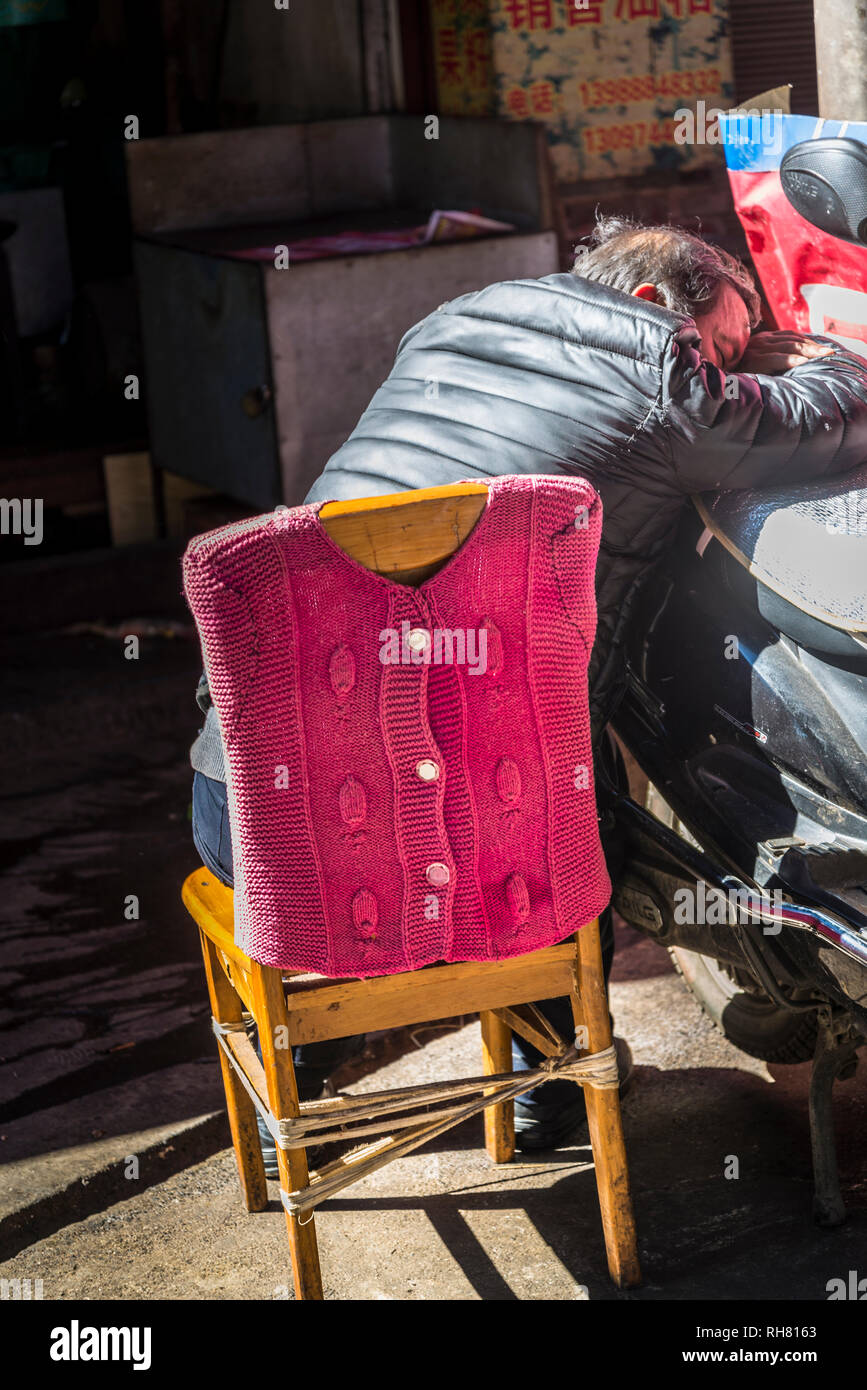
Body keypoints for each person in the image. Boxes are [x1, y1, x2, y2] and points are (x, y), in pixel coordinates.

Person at [190, 215, 867, 1161]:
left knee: (471, 730)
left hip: (249, 812)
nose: (727, 368)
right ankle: (552, 1090)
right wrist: (820, 361)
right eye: (722, 345)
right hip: (473, 843)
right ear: (646, 305)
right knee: (536, 767)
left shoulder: (452, 320)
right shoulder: (656, 374)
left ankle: (291, 1112)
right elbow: (815, 428)